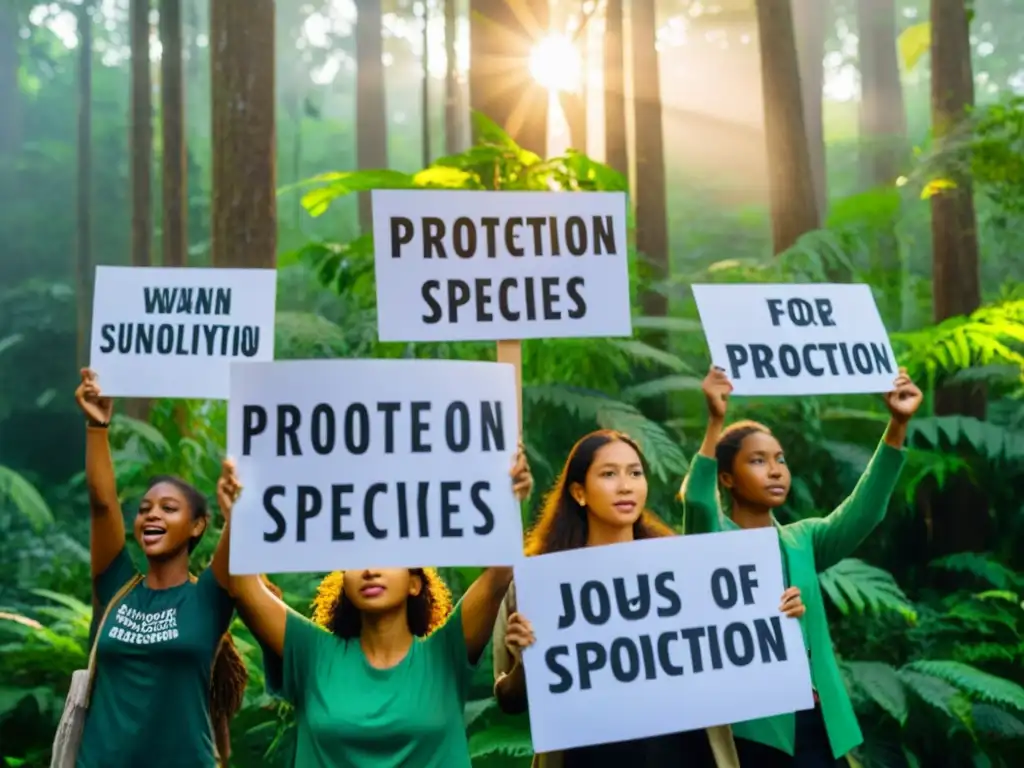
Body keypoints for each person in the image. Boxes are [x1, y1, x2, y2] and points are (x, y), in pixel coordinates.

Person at [492, 429, 808, 768]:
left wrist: (775, 618)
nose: (625, 485)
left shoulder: (686, 569)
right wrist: (527, 662)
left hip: (686, 754)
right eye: (609, 474)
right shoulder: (540, 584)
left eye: (635, 473)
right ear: (579, 492)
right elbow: (508, 699)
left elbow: (733, 657)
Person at [222, 448, 534, 768]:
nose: (370, 569)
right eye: (356, 559)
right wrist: (238, 511)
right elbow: (244, 588)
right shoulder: (312, 653)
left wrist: (509, 495)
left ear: (415, 583)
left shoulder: (445, 652)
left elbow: (500, 573)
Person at [682, 365, 923, 767]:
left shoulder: (803, 539)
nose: (776, 470)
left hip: (818, 723)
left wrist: (897, 424)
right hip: (753, 729)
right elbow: (697, 503)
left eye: (780, 459)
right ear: (727, 477)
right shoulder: (714, 541)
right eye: (758, 461)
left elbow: (863, 511)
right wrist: (715, 421)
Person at [73, 368, 248, 767]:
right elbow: (103, 503)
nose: (151, 515)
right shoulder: (117, 585)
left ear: (198, 525)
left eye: (169, 509)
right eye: (145, 509)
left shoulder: (206, 597)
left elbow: (240, 533)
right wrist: (97, 426)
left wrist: (238, 505)